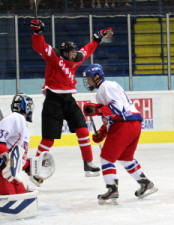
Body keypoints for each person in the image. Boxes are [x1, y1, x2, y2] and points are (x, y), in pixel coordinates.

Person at [30, 19, 113, 186]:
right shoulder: (54, 57)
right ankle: (34, 170)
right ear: (64, 52)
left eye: (75, 51)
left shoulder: (76, 58)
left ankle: (88, 164)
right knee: (48, 140)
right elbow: (40, 47)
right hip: (53, 100)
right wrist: (37, 33)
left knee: (82, 131)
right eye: (71, 52)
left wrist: (97, 39)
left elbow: (87, 50)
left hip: (69, 99)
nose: (75, 54)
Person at [82, 64, 158, 204]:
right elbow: (112, 116)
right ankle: (145, 183)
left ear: (97, 77)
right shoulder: (110, 86)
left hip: (125, 124)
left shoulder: (105, 87)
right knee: (126, 158)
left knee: (106, 158)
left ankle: (112, 189)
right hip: (133, 123)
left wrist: (96, 110)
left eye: (89, 79)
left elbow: (117, 108)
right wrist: (102, 131)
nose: (88, 82)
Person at [0, 94, 34, 195]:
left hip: (13, 173)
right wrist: (5, 156)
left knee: (22, 198)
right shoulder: (16, 118)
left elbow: (16, 156)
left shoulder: (21, 122)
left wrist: (28, 165)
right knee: (10, 200)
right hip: (3, 171)